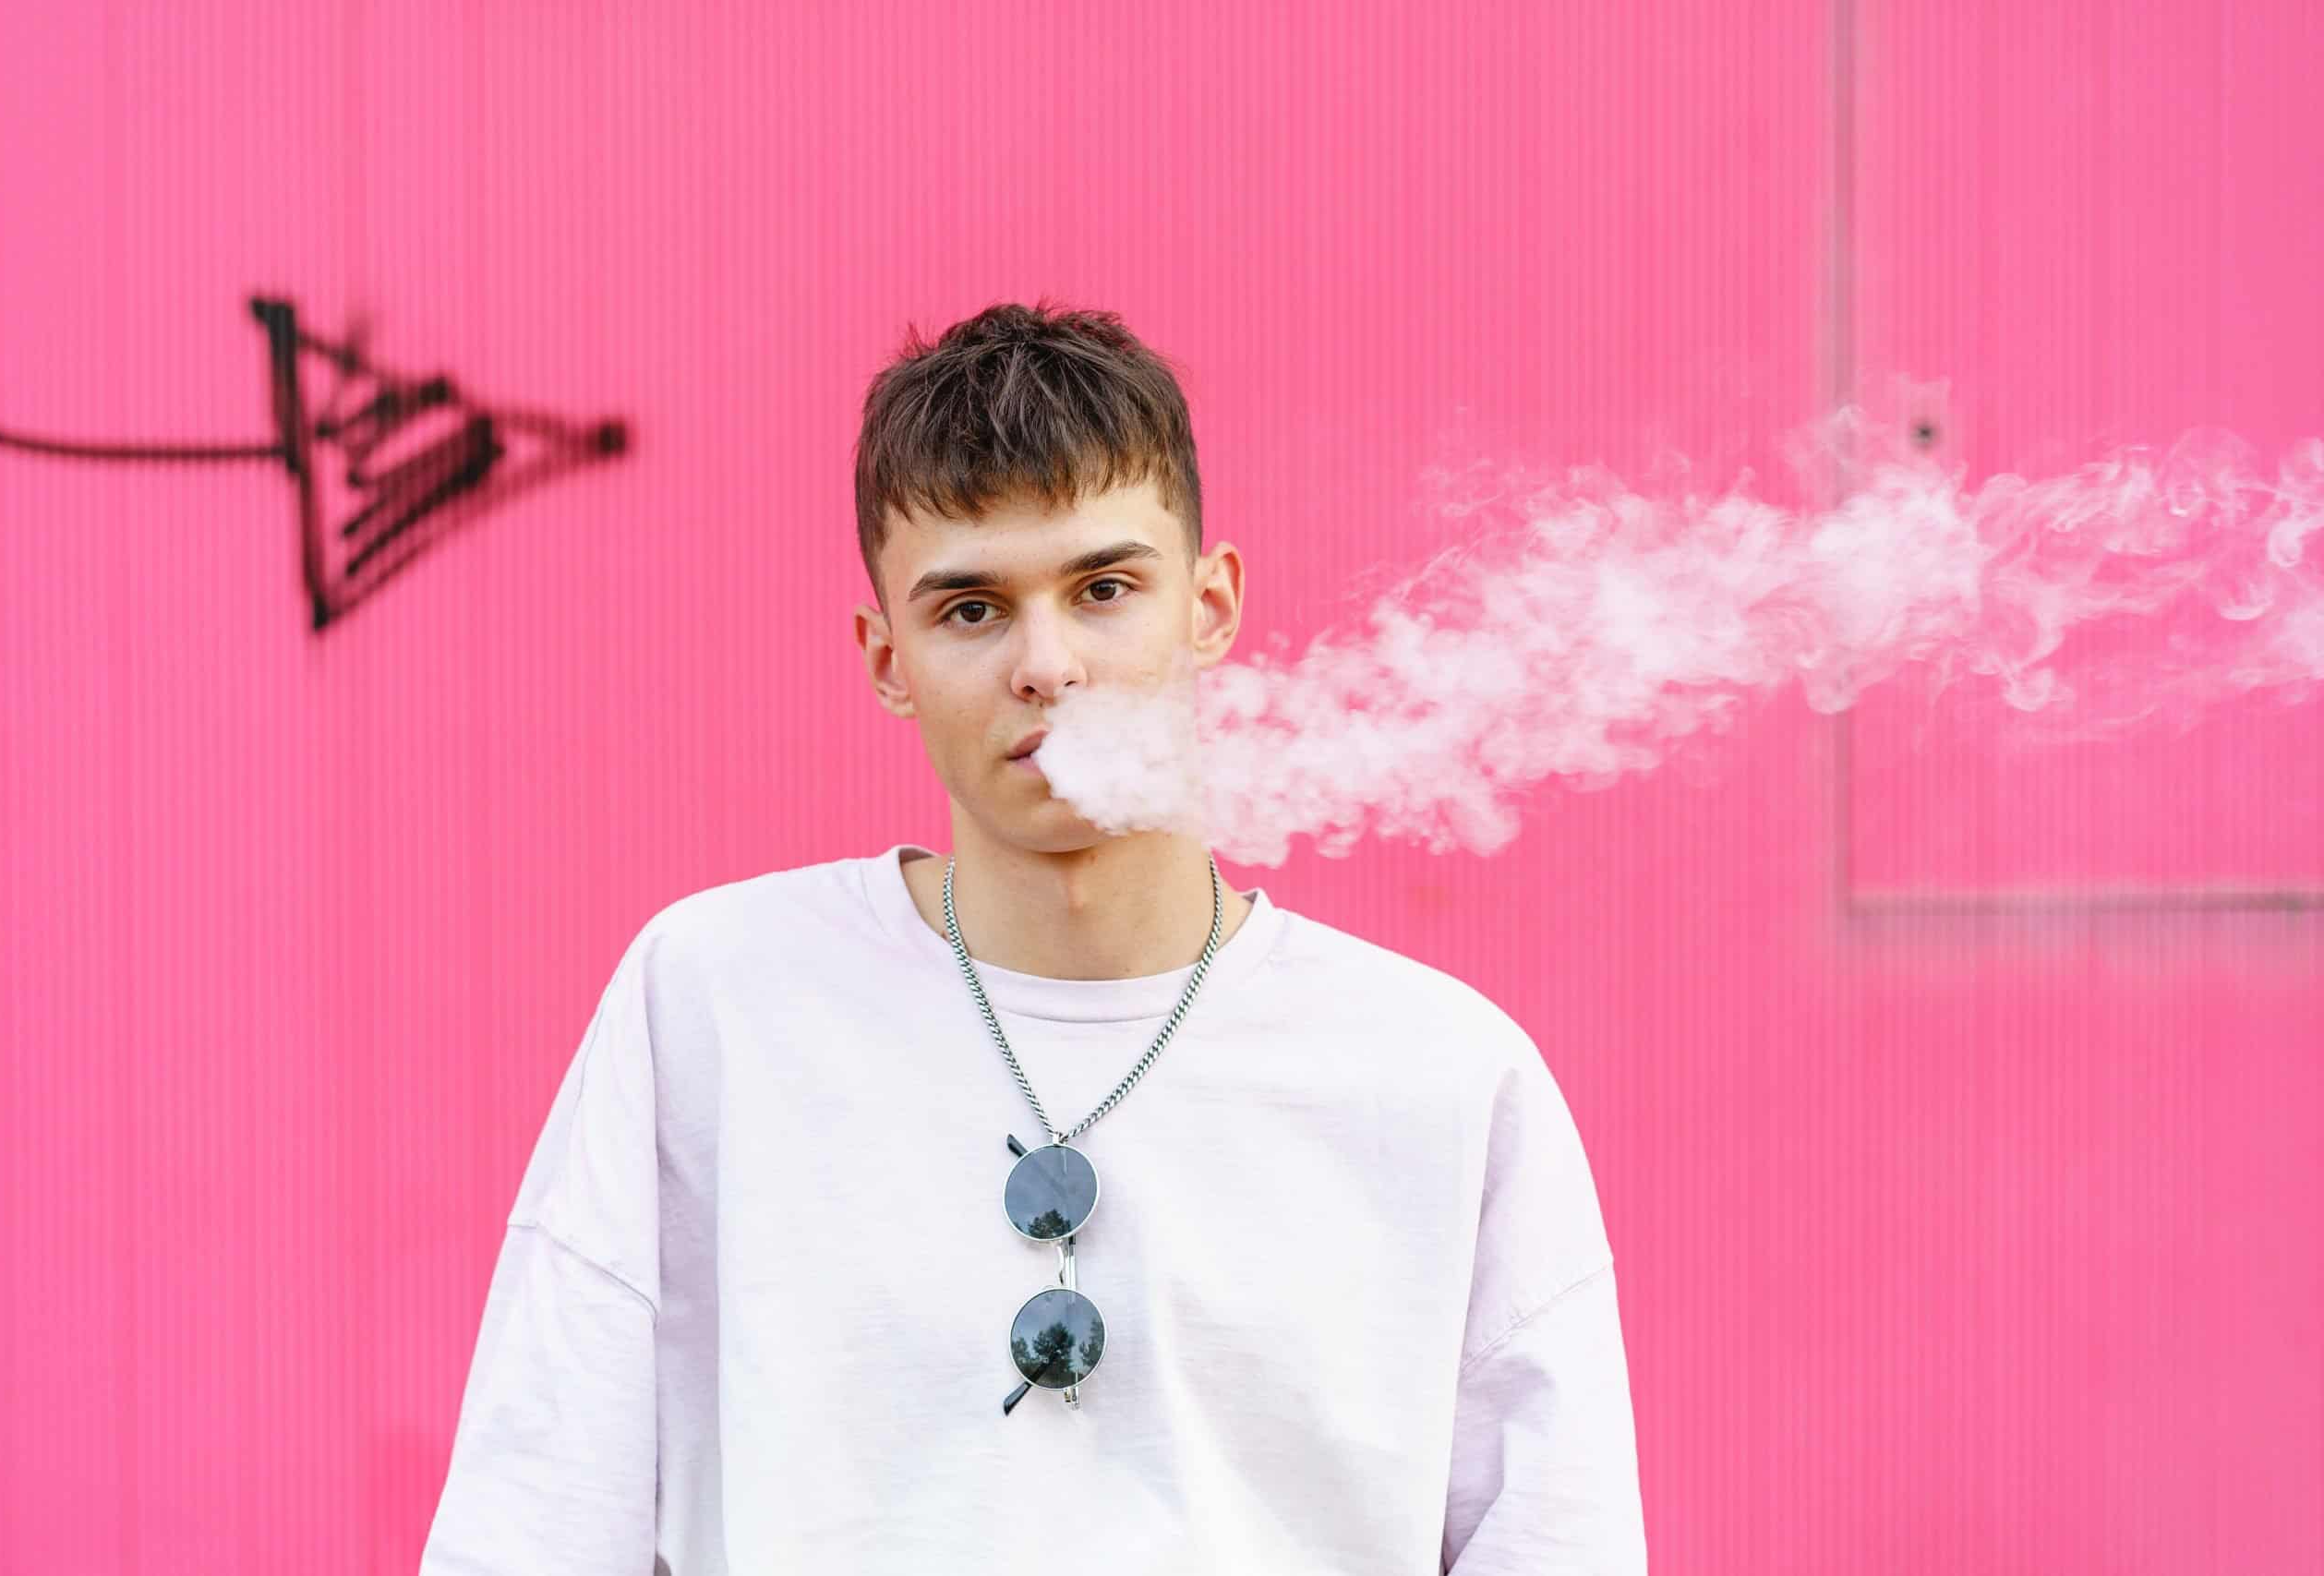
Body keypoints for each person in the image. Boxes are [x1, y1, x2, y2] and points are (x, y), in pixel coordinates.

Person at [416, 300, 1647, 1573]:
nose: (1047, 664)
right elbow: (537, 1515)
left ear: (1210, 605)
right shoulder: (715, 1002)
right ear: (885, 656)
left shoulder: (1442, 1076)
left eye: (1105, 588)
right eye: (970, 611)